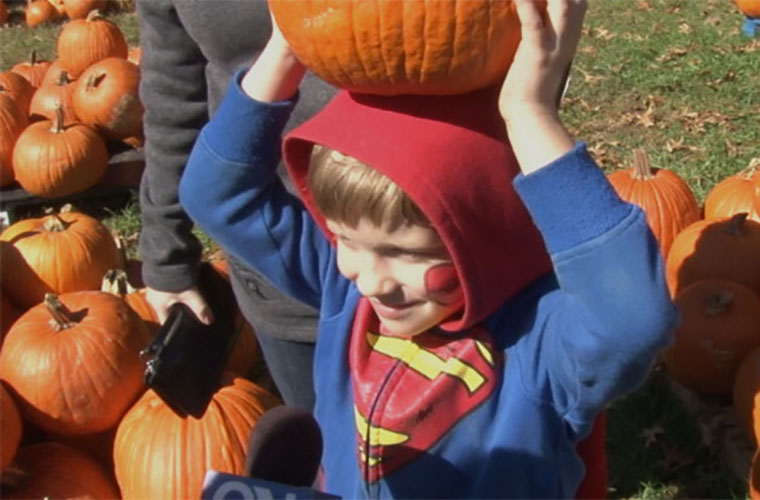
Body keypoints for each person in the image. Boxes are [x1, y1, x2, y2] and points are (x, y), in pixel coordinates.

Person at [179, 0, 679, 497]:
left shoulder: (537, 345)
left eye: (409, 254)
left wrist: (530, 115)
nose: (372, 280)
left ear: (490, 232)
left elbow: (634, 319)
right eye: (345, 238)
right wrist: (286, 50)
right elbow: (215, 195)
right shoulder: (345, 293)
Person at [135, 0, 335, 412]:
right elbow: (173, 90)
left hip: (432, 239)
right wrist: (166, 253)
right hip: (282, 245)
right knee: (329, 435)